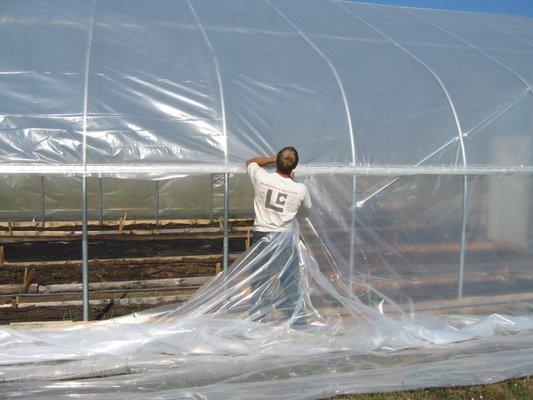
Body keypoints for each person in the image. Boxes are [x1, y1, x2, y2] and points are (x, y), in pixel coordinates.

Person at [245, 147, 312, 326]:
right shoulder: (300, 189)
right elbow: (306, 211)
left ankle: (258, 320)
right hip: (284, 238)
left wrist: (271, 159)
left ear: (278, 161)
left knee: (259, 277)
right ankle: (297, 321)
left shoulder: (262, 177)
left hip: (262, 235)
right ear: (294, 167)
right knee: (289, 278)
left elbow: (250, 162)